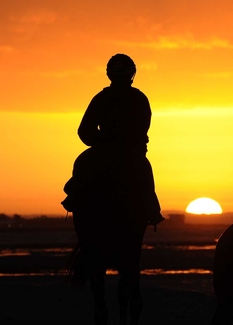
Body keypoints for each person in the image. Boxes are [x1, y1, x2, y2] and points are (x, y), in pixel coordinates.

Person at [62, 54, 163, 325]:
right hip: (129, 154)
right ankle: (151, 210)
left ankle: (74, 199)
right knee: (144, 173)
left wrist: (102, 142)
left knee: (82, 166)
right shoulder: (139, 98)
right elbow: (143, 128)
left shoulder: (101, 98)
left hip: (104, 152)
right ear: (132, 74)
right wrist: (122, 143)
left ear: (110, 75)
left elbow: (84, 132)